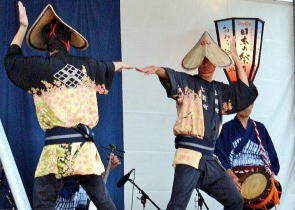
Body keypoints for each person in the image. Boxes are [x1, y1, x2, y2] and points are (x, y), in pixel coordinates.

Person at [4, 2, 133, 210]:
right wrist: (125, 65)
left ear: (47, 44)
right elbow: (112, 66)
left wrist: (22, 27)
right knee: (103, 201)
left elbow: (11, 62)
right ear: (68, 44)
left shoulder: (38, 68)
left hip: (55, 151)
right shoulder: (88, 67)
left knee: (43, 203)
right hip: (83, 150)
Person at [136, 31, 258, 210]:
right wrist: (157, 70)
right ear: (197, 64)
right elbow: (169, 74)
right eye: (202, 61)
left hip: (210, 159)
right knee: (177, 206)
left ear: (215, 64)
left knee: (236, 201)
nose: (206, 64)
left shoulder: (220, 90)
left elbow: (244, 91)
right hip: (189, 155)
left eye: (209, 60)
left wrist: (234, 56)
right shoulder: (187, 82)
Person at [214, 103, 280, 193]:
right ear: (235, 104)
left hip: (260, 182)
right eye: (243, 102)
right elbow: (220, 157)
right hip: (237, 183)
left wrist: (270, 175)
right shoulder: (226, 129)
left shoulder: (260, 128)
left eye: (250, 103)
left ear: (253, 105)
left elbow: (272, 157)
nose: (246, 106)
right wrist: (232, 177)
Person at [56, 155, 121, 210]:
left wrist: (108, 167)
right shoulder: (62, 162)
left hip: (84, 203)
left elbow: (96, 181)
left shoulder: (88, 165)